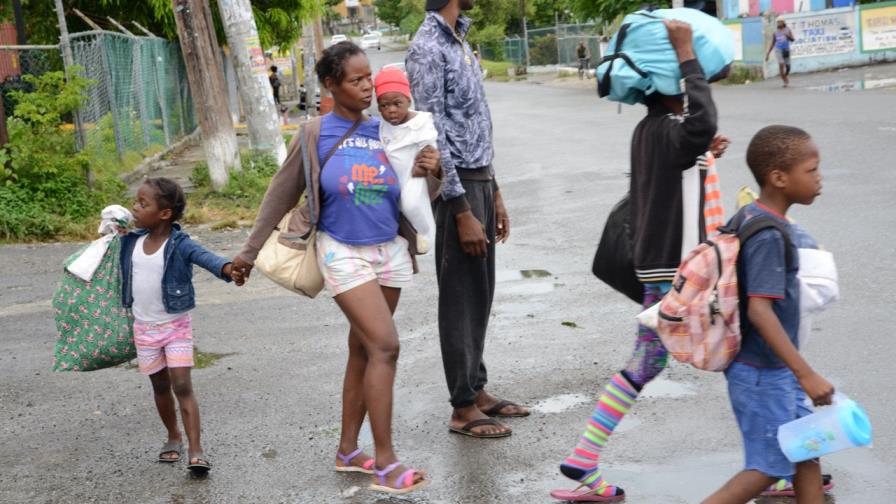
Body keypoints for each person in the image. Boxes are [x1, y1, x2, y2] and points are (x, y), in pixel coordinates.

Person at [232, 42, 441, 494]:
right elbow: (280, 195)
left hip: (390, 250)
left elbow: (418, 196)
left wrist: (433, 171)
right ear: (330, 85)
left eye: (370, 78)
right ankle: (385, 461)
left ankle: (348, 450)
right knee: (386, 346)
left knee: (364, 350)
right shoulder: (313, 134)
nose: (368, 87)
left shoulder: (387, 131)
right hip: (341, 250)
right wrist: (247, 254)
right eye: (355, 80)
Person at [552, 20, 719, 502]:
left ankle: (584, 457)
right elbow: (702, 124)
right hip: (679, 275)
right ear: (674, 81)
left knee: (645, 364)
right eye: (687, 79)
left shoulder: (650, 129)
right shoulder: (672, 130)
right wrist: (687, 53)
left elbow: (685, 160)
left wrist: (705, 151)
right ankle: (787, 459)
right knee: (752, 352)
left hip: (658, 270)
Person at [406, 0, 529, 440]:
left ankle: (476, 389)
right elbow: (432, 134)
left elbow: (476, 122)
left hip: (478, 179)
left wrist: (493, 190)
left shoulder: (457, 39)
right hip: (453, 188)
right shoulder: (426, 47)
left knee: (481, 292)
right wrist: (460, 209)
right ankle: (462, 406)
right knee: (460, 296)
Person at [702, 125, 832, 504]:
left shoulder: (750, 214)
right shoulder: (770, 236)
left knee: (805, 449)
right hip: (762, 372)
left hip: (771, 368)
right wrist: (805, 372)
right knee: (767, 467)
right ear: (779, 178)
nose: (819, 177)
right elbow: (760, 310)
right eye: (811, 170)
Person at [120, 177, 243, 476]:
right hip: (145, 329)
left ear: (164, 214)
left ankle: (196, 449)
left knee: (182, 385)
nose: (135, 207)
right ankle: (172, 435)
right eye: (136, 202)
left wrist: (228, 269)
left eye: (143, 203)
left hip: (175, 326)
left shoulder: (180, 244)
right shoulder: (130, 241)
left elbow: (205, 257)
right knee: (160, 386)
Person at [375, 66, 439, 254]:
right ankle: (410, 240)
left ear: (408, 100)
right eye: (384, 106)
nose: (391, 111)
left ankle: (428, 237)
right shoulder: (382, 125)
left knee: (412, 203)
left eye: (397, 104)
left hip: (413, 174)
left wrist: (425, 164)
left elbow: (429, 147)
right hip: (392, 177)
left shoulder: (421, 122)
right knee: (399, 208)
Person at [766, 18, 795, 88]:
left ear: (783, 22)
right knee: (781, 64)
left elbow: (793, 39)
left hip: (786, 50)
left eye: (780, 22)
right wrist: (768, 54)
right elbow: (773, 43)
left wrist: (787, 36)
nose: (778, 23)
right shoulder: (775, 32)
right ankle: (785, 81)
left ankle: (785, 75)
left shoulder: (788, 30)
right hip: (778, 50)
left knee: (788, 67)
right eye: (777, 22)